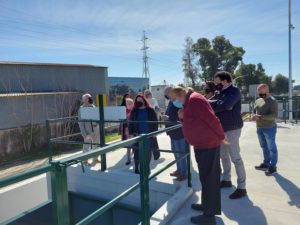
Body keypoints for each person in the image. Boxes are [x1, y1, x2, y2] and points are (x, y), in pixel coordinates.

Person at [171, 86, 225, 225]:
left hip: (208, 145)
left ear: (181, 93)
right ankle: (207, 206)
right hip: (202, 145)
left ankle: (209, 216)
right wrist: (182, 118)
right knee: (205, 178)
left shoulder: (195, 100)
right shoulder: (189, 102)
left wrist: (221, 136)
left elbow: (211, 119)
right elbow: (193, 122)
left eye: (174, 98)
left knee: (210, 179)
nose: (173, 102)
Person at [211, 71, 247, 200]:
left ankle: (242, 188)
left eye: (217, 82)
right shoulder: (220, 93)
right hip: (221, 129)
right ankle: (226, 180)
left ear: (225, 81)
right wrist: (216, 104)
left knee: (235, 158)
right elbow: (214, 103)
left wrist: (215, 106)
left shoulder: (234, 91)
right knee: (223, 156)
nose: (216, 85)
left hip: (232, 129)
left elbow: (227, 105)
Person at [252, 84, 278, 176]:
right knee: (264, 146)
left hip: (269, 128)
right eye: (258, 92)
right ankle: (266, 163)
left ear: (267, 91)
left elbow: (274, 116)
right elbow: (254, 110)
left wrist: (261, 117)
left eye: (261, 92)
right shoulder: (258, 100)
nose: (259, 94)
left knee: (272, 148)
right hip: (259, 127)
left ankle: (273, 166)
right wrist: (253, 115)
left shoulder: (273, 101)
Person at [162, 86, 188, 182]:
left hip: (178, 131)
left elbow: (181, 115)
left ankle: (183, 173)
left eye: (167, 94)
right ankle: (179, 170)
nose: (166, 96)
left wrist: (168, 118)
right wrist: (166, 117)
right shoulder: (171, 101)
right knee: (176, 152)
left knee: (180, 153)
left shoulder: (177, 101)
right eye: (166, 95)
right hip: (172, 132)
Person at [129, 95, 159, 174]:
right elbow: (130, 122)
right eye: (137, 100)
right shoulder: (134, 111)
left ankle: (147, 167)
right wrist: (131, 133)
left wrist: (155, 132)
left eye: (140, 100)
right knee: (137, 152)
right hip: (137, 134)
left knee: (148, 152)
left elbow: (155, 121)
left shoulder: (150, 110)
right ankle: (137, 168)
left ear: (144, 100)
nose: (139, 101)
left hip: (148, 135)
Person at [78, 93, 100, 165]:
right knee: (86, 146)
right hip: (87, 131)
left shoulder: (93, 107)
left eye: (90, 97)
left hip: (95, 129)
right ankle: (85, 160)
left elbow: (97, 117)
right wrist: (84, 134)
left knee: (96, 144)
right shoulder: (82, 109)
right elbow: (80, 122)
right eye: (88, 98)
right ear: (84, 99)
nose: (89, 99)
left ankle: (95, 158)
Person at [119, 94, 133, 165]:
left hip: (133, 129)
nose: (128, 104)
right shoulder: (122, 108)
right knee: (128, 144)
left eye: (129, 102)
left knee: (134, 144)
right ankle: (128, 159)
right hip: (126, 128)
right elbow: (120, 118)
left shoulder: (134, 110)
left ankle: (134, 157)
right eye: (127, 102)